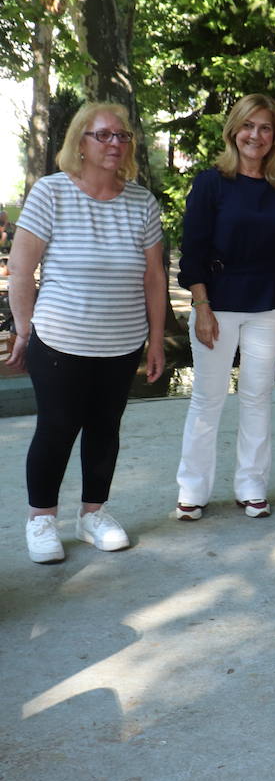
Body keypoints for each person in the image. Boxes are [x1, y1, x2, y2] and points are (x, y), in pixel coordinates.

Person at [7, 101, 165, 563]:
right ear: (80, 142)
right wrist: (23, 330)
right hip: (59, 342)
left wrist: (155, 340)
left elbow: (154, 277)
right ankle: (41, 520)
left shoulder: (141, 202)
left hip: (121, 343)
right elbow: (20, 269)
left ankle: (92, 514)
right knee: (56, 429)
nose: (115, 143)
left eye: (122, 136)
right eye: (104, 135)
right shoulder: (51, 193)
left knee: (104, 430)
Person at [172, 93, 275, 521]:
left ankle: (251, 486)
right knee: (207, 399)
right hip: (217, 304)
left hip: (269, 306)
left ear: (274, 137)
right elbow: (192, 250)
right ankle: (192, 490)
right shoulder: (211, 183)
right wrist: (202, 304)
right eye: (249, 126)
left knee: (257, 398)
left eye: (265, 128)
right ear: (234, 130)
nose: (256, 135)